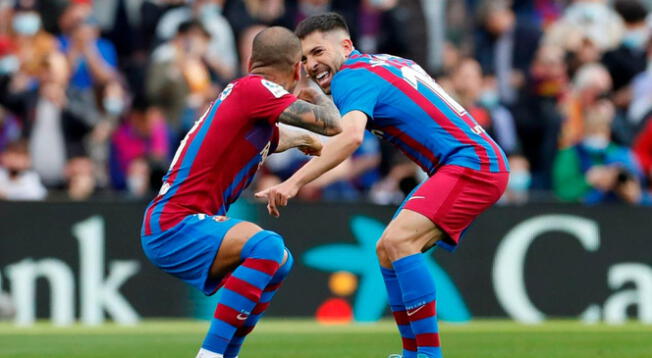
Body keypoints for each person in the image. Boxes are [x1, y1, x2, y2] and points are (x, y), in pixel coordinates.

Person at [256, 13, 509, 358]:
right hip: (471, 160)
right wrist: (315, 108)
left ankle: (427, 356)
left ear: (345, 45)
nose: (311, 65)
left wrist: (294, 182)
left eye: (317, 52)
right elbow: (350, 119)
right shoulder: (379, 64)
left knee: (399, 241)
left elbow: (351, 137)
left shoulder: (350, 78)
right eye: (304, 59)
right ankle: (412, 354)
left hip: (469, 163)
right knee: (387, 249)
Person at [140, 27, 342, 358]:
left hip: (172, 222)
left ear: (250, 61)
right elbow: (332, 124)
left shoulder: (245, 99)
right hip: (175, 223)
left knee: (280, 262)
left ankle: (225, 354)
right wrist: (315, 90)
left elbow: (272, 140)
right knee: (267, 247)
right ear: (295, 69)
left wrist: (303, 139)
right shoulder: (255, 90)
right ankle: (211, 355)